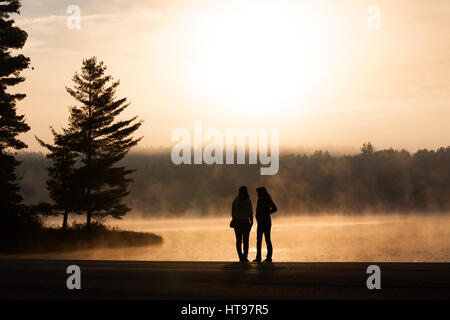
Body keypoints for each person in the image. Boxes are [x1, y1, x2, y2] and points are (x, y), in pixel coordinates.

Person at [254, 187, 277, 263]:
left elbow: (275, 208)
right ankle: (258, 257)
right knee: (259, 240)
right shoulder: (259, 199)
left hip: (266, 222)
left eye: (258, 192)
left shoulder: (267, 199)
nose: (257, 194)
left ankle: (268, 257)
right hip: (260, 222)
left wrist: (267, 213)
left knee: (267, 239)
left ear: (262, 192)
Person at [231, 186, 253, 262]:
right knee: (246, 240)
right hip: (246, 222)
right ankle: (245, 256)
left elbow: (233, 212)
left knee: (238, 240)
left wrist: (234, 219)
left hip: (237, 222)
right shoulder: (248, 201)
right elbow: (250, 212)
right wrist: (252, 221)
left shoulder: (235, 201)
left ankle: (240, 256)